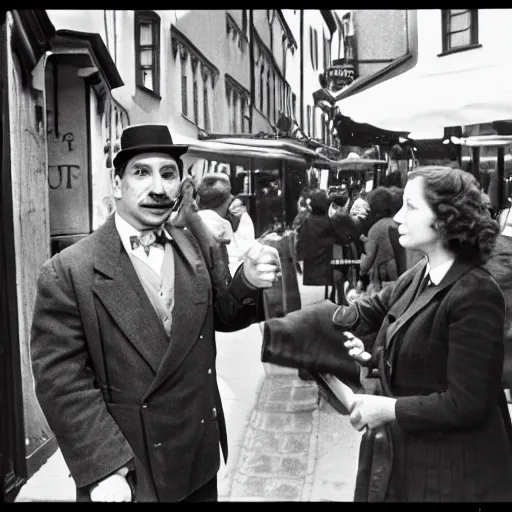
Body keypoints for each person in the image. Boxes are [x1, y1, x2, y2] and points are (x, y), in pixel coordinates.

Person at [29, 124, 281, 503]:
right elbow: (61, 381)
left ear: (181, 183)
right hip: (129, 469)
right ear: (117, 184)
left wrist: (246, 280)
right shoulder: (70, 271)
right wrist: (105, 467)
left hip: (196, 456)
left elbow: (222, 315)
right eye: (142, 172)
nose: (158, 187)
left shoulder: (197, 244)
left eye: (168, 173)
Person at [260, 166, 512, 501]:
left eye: (410, 206)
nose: (397, 217)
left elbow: (468, 403)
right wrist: (270, 333)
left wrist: (388, 409)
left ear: (444, 218)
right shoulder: (421, 272)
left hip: (451, 476)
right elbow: (362, 315)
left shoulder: (475, 293)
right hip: (415, 460)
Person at [359, 186, 405, 293]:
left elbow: (368, 257)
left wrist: (362, 271)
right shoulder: (398, 222)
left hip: (382, 281)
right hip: (400, 276)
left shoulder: (376, 228)